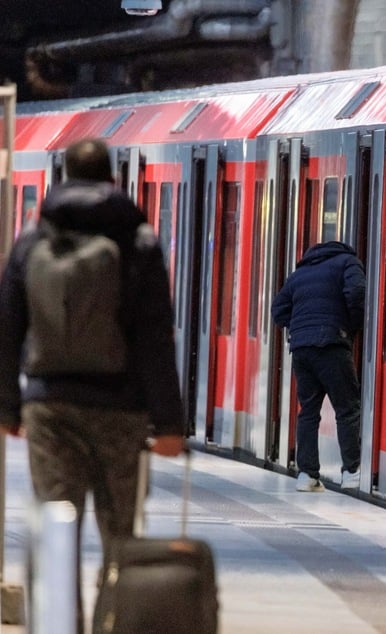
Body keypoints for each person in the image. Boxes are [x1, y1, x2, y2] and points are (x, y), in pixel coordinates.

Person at [0, 138, 184, 629]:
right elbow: (153, 336)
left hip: (50, 407)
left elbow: (7, 326)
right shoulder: (137, 241)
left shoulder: (33, 240)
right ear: (111, 180)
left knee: (57, 528)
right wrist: (168, 423)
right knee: (119, 532)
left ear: (62, 176)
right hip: (120, 411)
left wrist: (8, 408)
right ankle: (114, 621)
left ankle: (60, 624)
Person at [271, 240, 366, 492]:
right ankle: (351, 471)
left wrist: (299, 326)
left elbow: (278, 309)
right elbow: (357, 293)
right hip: (332, 343)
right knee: (347, 407)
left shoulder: (300, 272)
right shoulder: (349, 262)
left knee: (308, 410)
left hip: (301, 349)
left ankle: (307, 475)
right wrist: (353, 326)